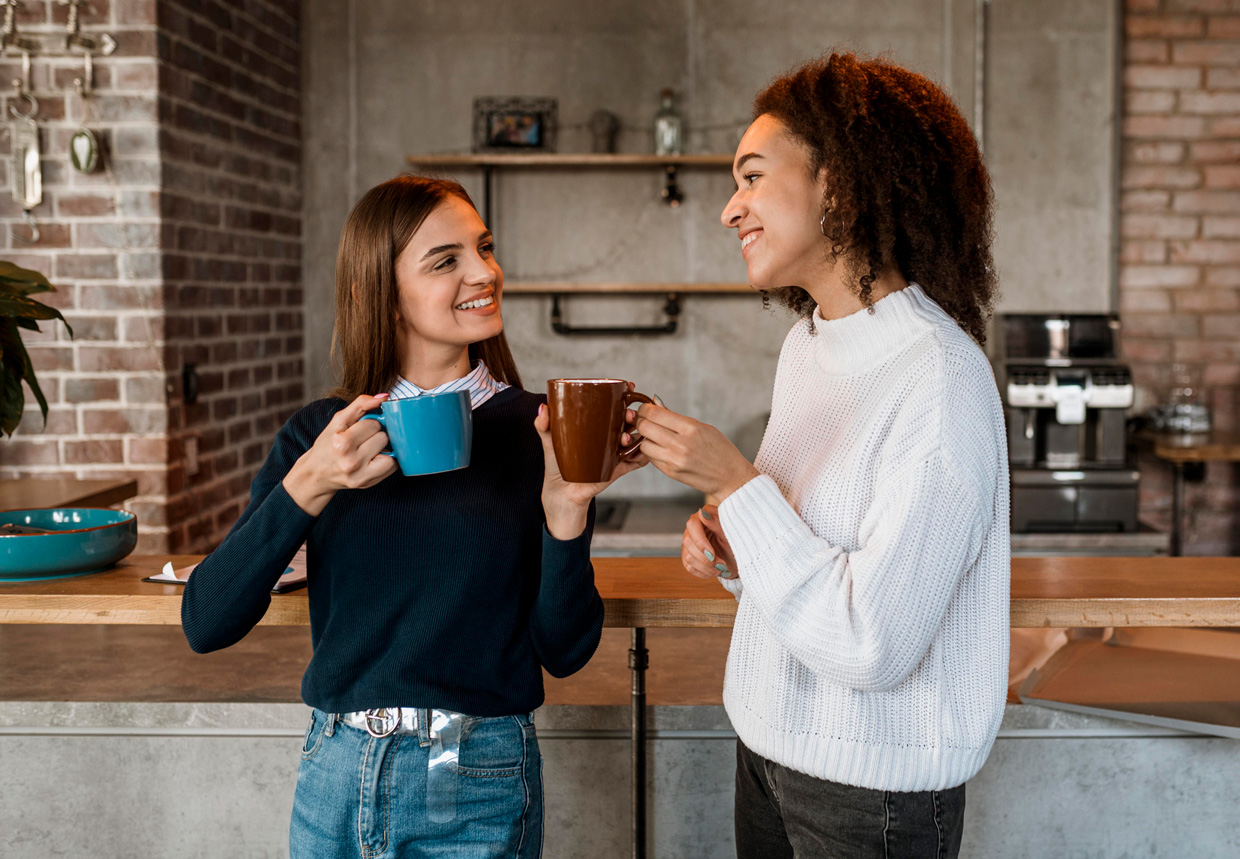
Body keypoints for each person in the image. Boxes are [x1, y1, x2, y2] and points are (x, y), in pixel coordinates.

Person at [181, 175, 645, 858]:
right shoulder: (323, 435)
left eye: (483, 249)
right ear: (383, 294)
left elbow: (565, 649)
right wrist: (308, 482)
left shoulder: (535, 430)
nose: (485, 271)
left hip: (477, 775)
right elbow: (206, 620)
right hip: (334, 775)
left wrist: (567, 504)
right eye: (445, 259)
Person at [629, 54, 1009, 858]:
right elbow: (813, 553)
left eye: (753, 176)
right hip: (766, 748)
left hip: (871, 791)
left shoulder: (939, 378)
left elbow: (872, 641)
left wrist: (736, 482)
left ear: (838, 183)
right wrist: (733, 535)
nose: (731, 209)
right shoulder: (807, 348)